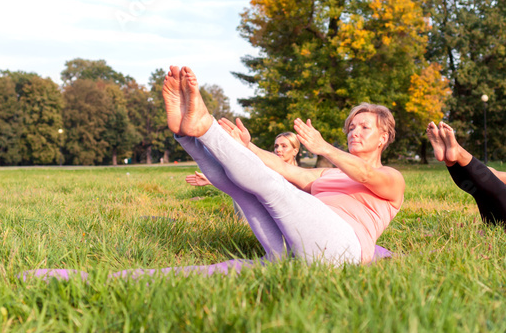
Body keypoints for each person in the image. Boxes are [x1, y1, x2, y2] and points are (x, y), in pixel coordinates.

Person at [164, 66, 404, 264]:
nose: (354, 132)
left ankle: (205, 127)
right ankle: (188, 137)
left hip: (344, 247)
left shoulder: (392, 177)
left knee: (274, 187)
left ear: (383, 138)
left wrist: (324, 147)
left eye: (364, 127)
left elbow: (364, 174)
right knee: (241, 191)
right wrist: (247, 147)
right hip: (296, 244)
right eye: (351, 127)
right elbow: (285, 169)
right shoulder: (330, 174)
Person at [185, 131, 301, 187]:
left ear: (295, 151)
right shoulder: (268, 170)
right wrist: (212, 180)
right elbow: (244, 180)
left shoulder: (302, 177)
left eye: (284, 146)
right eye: (276, 146)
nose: (278, 150)